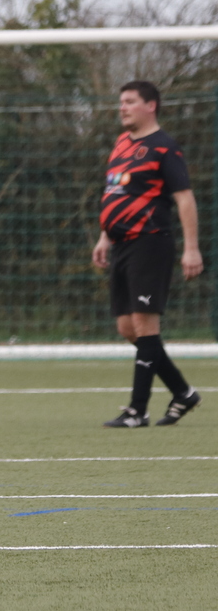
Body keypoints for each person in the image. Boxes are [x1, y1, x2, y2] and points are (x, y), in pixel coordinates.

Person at [93, 79, 203, 427]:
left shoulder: (164, 147)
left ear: (150, 105)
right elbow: (116, 193)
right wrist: (104, 237)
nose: (122, 107)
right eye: (121, 102)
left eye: (130, 101)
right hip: (121, 244)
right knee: (128, 327)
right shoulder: (122, 143)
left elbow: (184, 199)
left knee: (144, 324)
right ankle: (183, 392)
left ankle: (136, 410)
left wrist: (191, 248)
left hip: (150, 241)